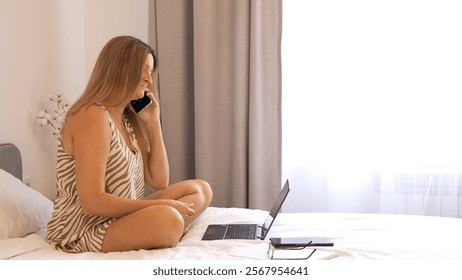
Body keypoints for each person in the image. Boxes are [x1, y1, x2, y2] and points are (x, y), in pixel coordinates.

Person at [46, 36, 213, 253]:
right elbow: (92, 203)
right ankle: (167, 229)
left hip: (119, 217)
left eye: (150, 71)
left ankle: (164, 230)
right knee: (169, 218)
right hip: (84, 229)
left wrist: (153, 123)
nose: (149, 79)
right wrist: (159, 207)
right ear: (120, 69)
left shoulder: (127, 119)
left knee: (200, 189)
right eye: (143, 70)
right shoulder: (92, 116)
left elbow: (159, 180)